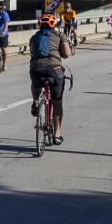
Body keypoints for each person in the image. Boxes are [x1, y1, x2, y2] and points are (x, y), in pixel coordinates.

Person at [28, 12, 72, 145]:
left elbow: (32, 53)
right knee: (57, 102)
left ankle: (36, 101)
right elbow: (67, 54)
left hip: (35, 69)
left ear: (40, 24)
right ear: (54, 24)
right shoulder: (59, 35)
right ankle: (57, 134)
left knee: (36, 82)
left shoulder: (34, 37)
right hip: (54, 70)